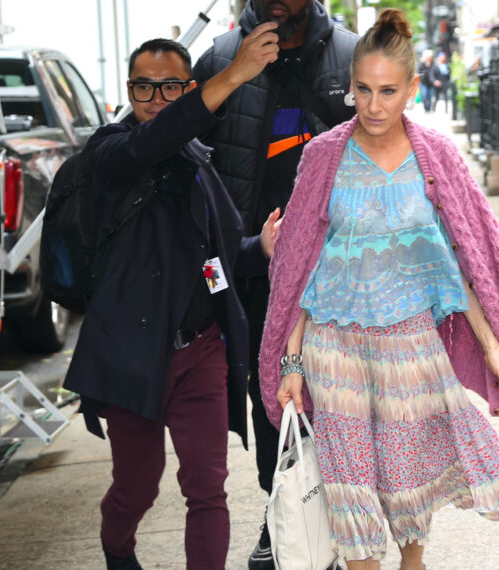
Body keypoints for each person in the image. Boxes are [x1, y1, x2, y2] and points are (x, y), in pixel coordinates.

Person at [259, 10, 499, 569]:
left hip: (410, 342)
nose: (373, 105)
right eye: (362, 90)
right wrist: (291, 362)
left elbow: (460, 264)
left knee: (406, 494)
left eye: (387, 91)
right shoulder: (322, 156)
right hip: (334, 347)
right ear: (349, 86)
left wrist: (495, 349)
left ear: (412, 88)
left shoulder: (437, 157)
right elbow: (300, 269)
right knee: (350, 494)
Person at [63, 35, 283, 570]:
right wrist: (232, 75)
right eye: (143, 86)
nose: (155, 98)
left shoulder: (197, 161)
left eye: (169, 87)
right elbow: (150, 142)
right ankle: (118, 549)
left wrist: (262, 249)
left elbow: (217, 260)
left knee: (207, 489)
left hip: (199, 353)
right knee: (136, 488)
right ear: (129, 90)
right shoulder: (109, 154)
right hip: (129, 356)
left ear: (185, 87)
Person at [191, 2, 357, 567]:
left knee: (343, 400)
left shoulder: (351, 55)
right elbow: (189, 162)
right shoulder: (218, 59)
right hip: (260, 269)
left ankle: (342, 523)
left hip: (344, 270)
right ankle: (285, 514)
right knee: (274, 405)